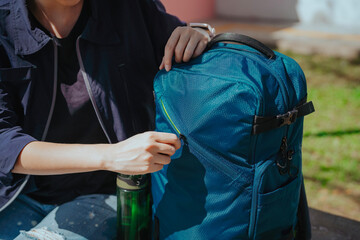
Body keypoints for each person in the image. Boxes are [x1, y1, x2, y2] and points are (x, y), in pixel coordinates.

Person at [0, 0, 212, 239]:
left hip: (109, 192)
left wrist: (199, 35)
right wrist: (112, 155)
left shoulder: (131, 9)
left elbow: (185, 41)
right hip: (15, 193)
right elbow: (3, 143)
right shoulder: (3, 22)